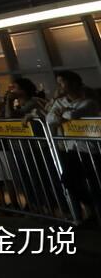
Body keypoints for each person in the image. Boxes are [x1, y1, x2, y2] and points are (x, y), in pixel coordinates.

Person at [45, 70, 101, 222]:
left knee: (95, 182)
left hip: (90, 148)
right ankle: (92, 208)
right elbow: (50, 119)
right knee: (69, 180)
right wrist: (63, 113)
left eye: (62, 82)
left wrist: (62, 114)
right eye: (58, 83)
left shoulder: (89, 101)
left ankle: (95, 213)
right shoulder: (60, 102)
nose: (60, 86)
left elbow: (72, 115)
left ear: (74, 83)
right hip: (72, 148)